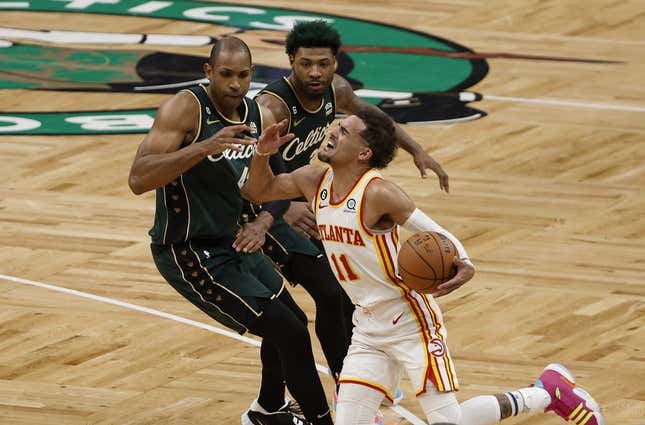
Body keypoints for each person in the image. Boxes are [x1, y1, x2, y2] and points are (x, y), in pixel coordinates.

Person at [242, 108, 604, 425]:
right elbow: (260, 192)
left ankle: (545, 394)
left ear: (364, 153)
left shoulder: (380, 194)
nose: (333, 132)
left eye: (345, 131)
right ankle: (547, 391)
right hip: (367, 328)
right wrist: (262, 152)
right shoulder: (312, 180)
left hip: (410, 322)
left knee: (451, 421)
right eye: (337, 126)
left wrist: (465, 262)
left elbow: (437, 235)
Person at [128, 36, 333, 425]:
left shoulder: (259, 117)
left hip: (234, 241)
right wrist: (202, 148)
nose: (234, 84)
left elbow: (265, 186)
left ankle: (268, 409)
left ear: (252, 74)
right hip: (188, 249)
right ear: (208, 72)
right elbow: (138, 179)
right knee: (290, 333)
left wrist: (264, 218)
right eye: (225, 75)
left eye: (242, 75)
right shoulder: (185, 109)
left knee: (290, 322)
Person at [238, 19, 450, 391]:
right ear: (291, 61)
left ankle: (283, 399)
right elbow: (245, 168)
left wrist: (417, 150)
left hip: (308, 200)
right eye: (306, 64)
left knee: (344, 291)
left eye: (324, 63)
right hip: (259, 209)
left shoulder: (337, 90)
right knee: (326, 293)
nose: (316, 72)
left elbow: (374, 120)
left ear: (337, 63)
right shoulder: (270, 106)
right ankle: (346, 385)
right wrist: (279, 211)